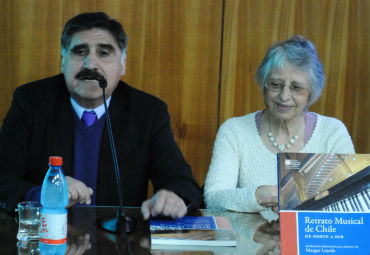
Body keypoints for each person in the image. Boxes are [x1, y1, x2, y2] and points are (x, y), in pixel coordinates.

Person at [0, 12, 202, 219]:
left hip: (120, 243)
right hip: (45, 237)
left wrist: (173, 197)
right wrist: (43, 194)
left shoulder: (148, 112)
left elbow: (183, 183)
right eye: (79, 52)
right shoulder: (31, 101)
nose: (90, 64)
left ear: (122, 64)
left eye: (104, 53)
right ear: (63, 61)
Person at [204, 35, 355, 219]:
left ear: (311, 92)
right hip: (250, 245)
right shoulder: (234, 130)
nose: (284, 96)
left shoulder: (332, 132)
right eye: (276, 84)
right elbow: (213, 198)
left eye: (296, 87)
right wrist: (259, 195)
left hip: (314, 244)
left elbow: (350, 199)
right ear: (264, 85)